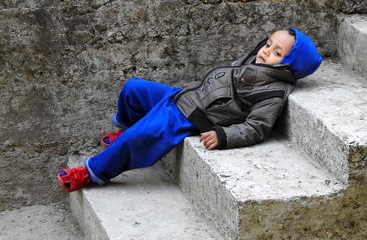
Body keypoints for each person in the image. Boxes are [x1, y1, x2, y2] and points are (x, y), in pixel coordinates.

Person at [57, 28, 322, 192]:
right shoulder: (252, 62)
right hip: (184, 96)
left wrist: (224, 135)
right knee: (133, 88)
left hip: (191, 116)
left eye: (277, 53)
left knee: (141, 138)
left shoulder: (273, 93)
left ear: (288, 67)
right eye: (267, 44)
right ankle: (126, 129)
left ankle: (91, 173)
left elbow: (257, 127)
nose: (265, 52)